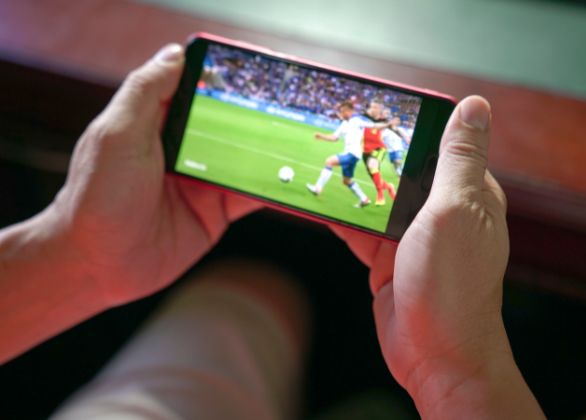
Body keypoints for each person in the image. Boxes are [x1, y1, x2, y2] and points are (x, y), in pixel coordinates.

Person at [0, 44, 545, 419]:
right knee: (254, 296)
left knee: (242, 293)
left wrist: (78, 256)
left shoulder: (371, 131)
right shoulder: (357, 128)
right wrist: (458, 373)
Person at [307, 101, 390, 208]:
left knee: (329, 161)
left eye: (343, 112)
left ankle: (318, 188)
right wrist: (321, 136)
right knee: (346, 180)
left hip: (353, 154)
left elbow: (374, 125)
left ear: (349, 111)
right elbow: (334, 137)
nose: (341, 114)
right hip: (350, 154)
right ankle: (364, 199)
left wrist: (387, 124)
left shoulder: (357, 120)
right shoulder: (344, 123)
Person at [360, 100, 396, 206]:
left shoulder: (383, 120)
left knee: (372, 165)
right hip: (365, 151)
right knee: (376, 178)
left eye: (376, 107)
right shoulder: (363, 118)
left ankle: (380, 196)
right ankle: (389, 187)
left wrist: (391, 124)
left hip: (378, 148)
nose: (373, 109)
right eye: (372, 107)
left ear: (379, 110)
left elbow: (391, 126)